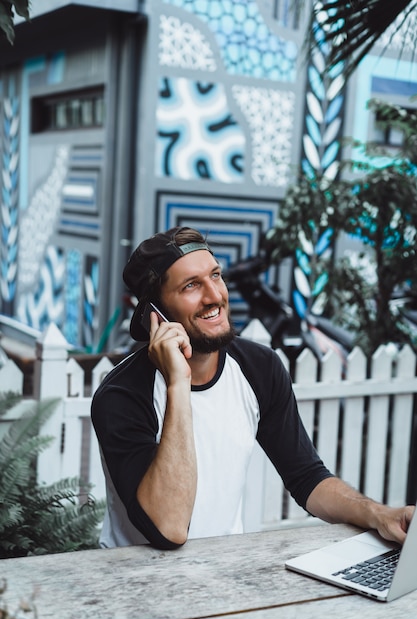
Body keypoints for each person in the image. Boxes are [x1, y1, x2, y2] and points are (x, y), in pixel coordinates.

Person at [91, 226, 415, 550]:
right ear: (155, 314)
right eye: (191, 285)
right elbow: (169, 527)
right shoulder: (122, 395)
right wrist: (178, 383)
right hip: (135, 585)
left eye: (215, 276)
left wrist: (378, 514)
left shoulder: (259, 368)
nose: (214, 296)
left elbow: (307, 478)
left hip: (225, 576)